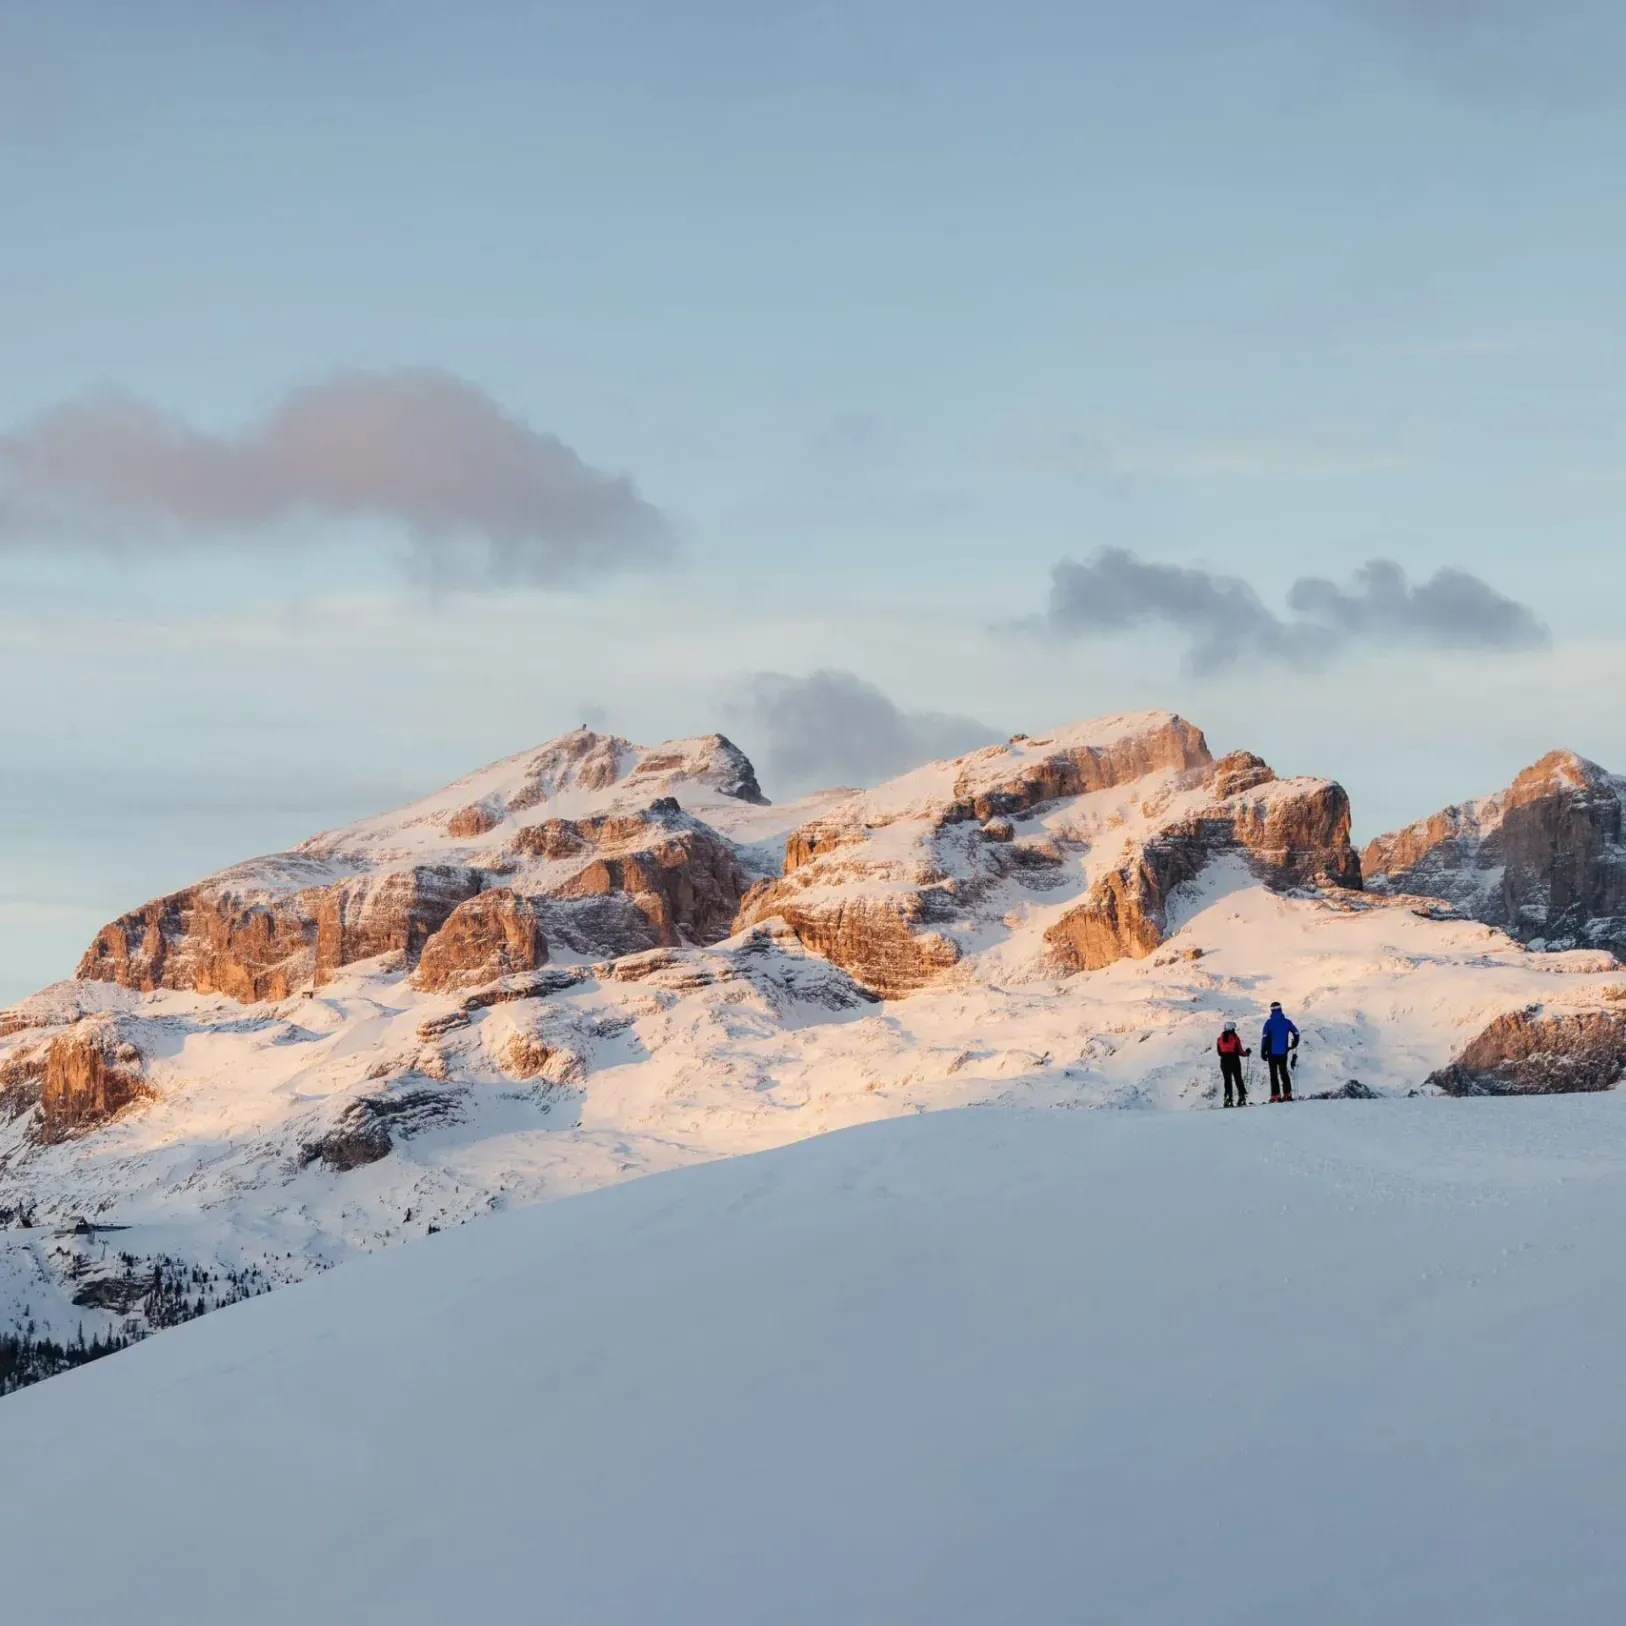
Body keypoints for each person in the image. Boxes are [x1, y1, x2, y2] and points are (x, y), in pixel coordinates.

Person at [1260, 1001, 1300, 1101]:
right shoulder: (1287, 1022)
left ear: (1271, 1010)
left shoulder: (1268, 1023)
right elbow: (1296, 1032)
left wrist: (1263, 1051)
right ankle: (1287, 1094)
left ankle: (1275, 1095)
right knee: (1284, 1072)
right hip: (1283, 1052)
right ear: (1281, 1009)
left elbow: (1264, 1038)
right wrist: (1295, 1043)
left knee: (1273, 1074)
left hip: (1271, 1052)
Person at [1216, 1021, 1251, 1108]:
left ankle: (1228, 1099)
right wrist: (1246, 1053)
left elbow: (1219, 1053)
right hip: (1234, 1060)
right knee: (1238, 1079)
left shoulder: (1219, 1039)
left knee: (1227, 1081)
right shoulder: (1235, 1038)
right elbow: (1240, 1051)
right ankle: (1242, 1097)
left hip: (1224, 1061)